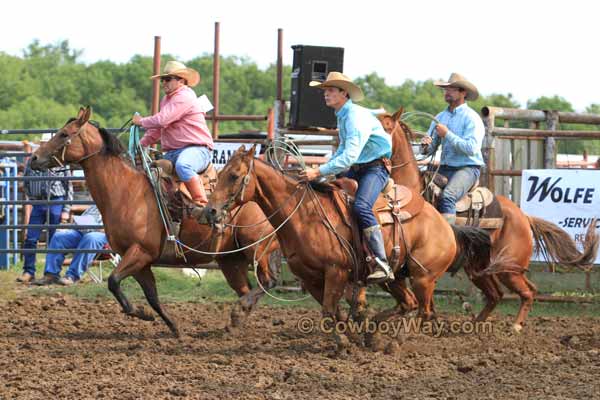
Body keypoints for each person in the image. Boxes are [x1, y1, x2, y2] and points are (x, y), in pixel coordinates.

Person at [299, 72, 394, 284]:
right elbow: (343, 151)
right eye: (325, 91)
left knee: (361, 207)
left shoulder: (354, 116)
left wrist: (318, 172)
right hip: (359, 167)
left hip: (375, 167)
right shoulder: (344, 115)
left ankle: (382, 261)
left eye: (331, 90)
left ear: (344, 93)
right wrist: (324, 173)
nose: (326, 95)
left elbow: (349, 155)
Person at [132, 60, 214, 219]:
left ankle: (201, 204)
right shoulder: (167, 100)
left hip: (197, 149)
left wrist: (141, 122)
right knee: (150, 173)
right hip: (173, 152)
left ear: (181, 80)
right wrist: (142, 144)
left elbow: (162, 120)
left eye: (168, 79)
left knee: (184, 165)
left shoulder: (184, 96)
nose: (164, 83)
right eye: (163, 79)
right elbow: (159, 128)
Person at [420, 73, 485, 225]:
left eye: (452, 89)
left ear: (463, 93)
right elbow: (430, 149)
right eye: (445, 89)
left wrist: (447, 134)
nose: (447, 92)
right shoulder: (440, 117)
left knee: (448, 196)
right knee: (418, 186)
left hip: (467, 168)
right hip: (444, 167)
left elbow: (472, 148)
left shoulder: (472, 118)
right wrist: (425, 146)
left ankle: (448, 242)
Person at [16, 133, 73, 283]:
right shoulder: (32, 161)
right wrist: (33, 197)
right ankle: (29, 271)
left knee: (55, 239)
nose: (44, 146)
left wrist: (66, 210)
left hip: (56, 201)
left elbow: (69, 187)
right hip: (38, 202)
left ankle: (51, 272)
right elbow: (26, 182)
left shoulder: (60, 163)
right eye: (43, 143)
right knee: (31, 238)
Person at [32, 205, 107, 286]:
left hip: (104, 235)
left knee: (90, 237)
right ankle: (51, 275)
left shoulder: (119, 204)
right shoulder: (97, 204)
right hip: (82, 231)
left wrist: (103, 229)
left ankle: (72, 276)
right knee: (59, 236)